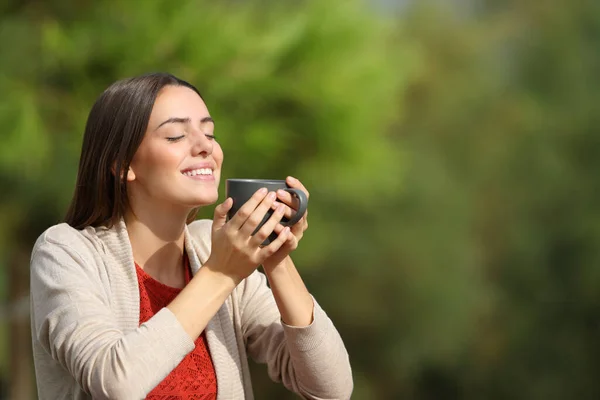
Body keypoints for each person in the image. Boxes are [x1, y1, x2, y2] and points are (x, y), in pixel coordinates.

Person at [29, 73, 353, 399]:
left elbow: (331, 388)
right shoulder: (64, 252)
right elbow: (116, 383)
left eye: (209, 132)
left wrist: (274, 256)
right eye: (175, 135)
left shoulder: (210, 246)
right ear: (123, 163)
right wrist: (222, 272)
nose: (205, 146)